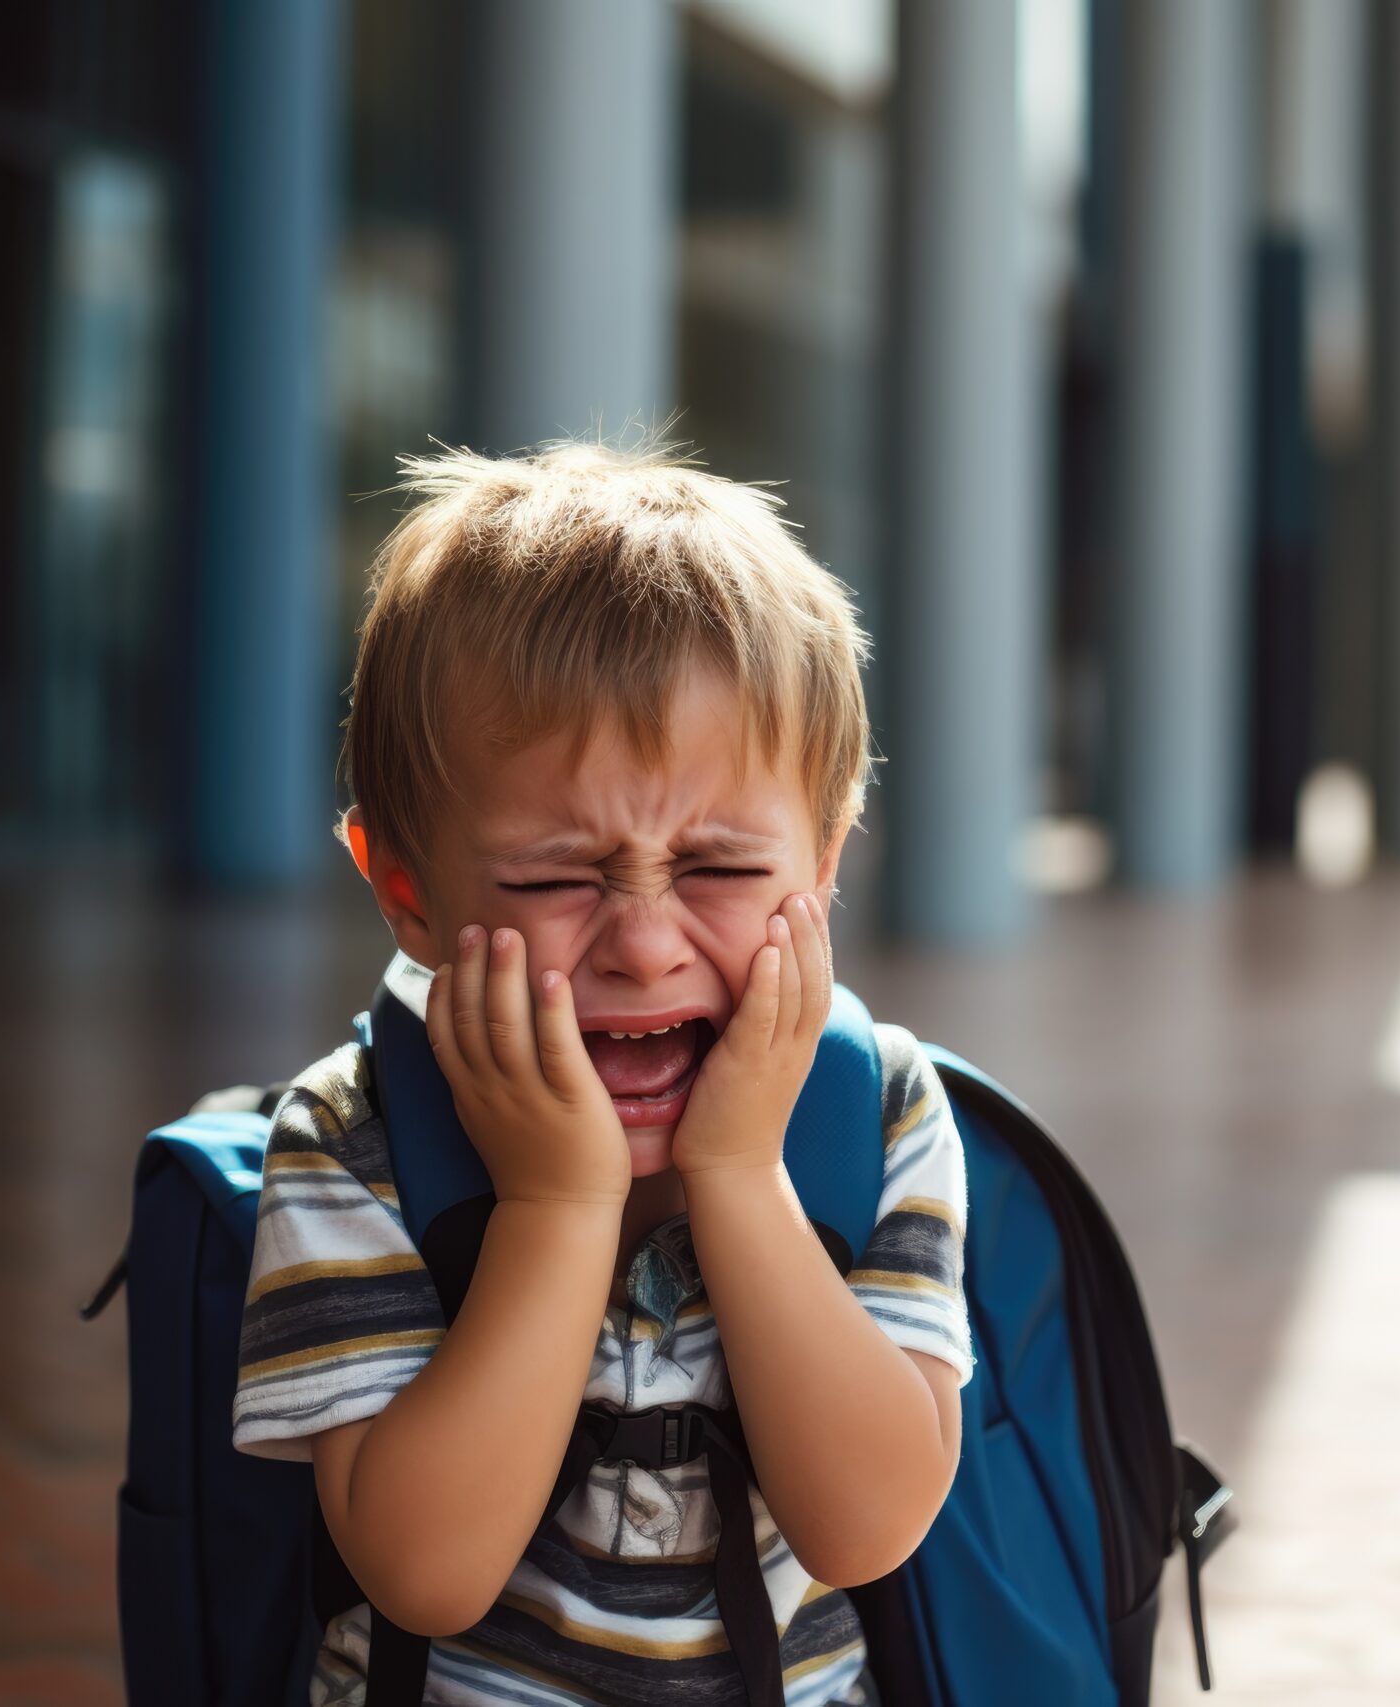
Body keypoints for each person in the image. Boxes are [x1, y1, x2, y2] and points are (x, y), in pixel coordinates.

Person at [229, 442, 970, 1705]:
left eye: (722, 870)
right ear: (405, 891)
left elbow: (868, 1526)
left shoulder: (877, 1112)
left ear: (827, 857)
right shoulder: (354, 1141)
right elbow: (424, 1570)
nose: (643, 941)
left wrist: (738, 1174)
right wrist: (557, 1209)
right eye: (554, 878)